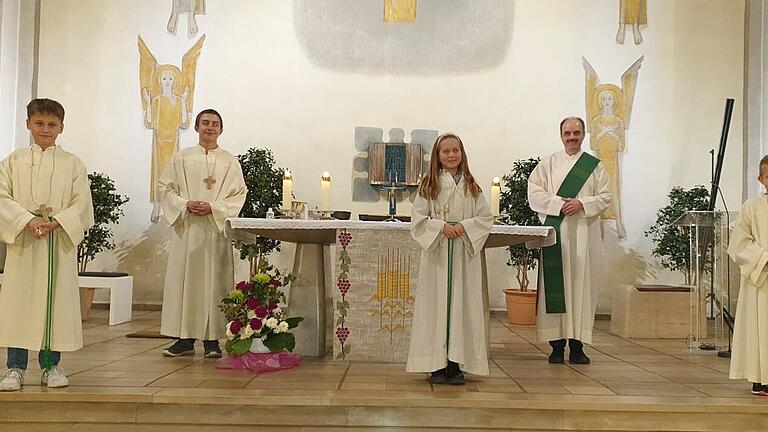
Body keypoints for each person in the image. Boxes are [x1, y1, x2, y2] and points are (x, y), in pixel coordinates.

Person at [0, 98, 94, 391]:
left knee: (55, 303)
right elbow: (2, 197)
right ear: (28, 123)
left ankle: (51, 365)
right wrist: (26, 221)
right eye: (39, 123)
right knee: (20, 303)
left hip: (57, 241)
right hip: (24, 241)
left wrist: (59, 221)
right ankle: (14, 368)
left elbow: (82, 202)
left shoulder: (72, 163)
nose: (45, 129)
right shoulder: (13, 161)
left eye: (52, 124)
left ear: (61, 127)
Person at [159, 109, 247, 358]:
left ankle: (212, 342)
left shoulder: (230, 162)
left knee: (214, 284)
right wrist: (184, 204)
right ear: (196, 128)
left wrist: (214, 207)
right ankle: (184, 339)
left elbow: (239, 194)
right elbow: (165, 188)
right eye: (205, 123)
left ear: (221, 129)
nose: (210, 127)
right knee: (185, 282)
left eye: (215, 124)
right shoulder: (182, 158)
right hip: (187, 230)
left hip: (214, 232)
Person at [408, 133, 493, 385]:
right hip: (437, 255)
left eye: (455, 150)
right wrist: (440, 227)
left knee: (461, 306)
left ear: (462, 153)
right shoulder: (428, 185)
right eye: (445, 151)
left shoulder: (471, 185)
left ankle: (456, 364)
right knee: (435, 307)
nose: (451, 155)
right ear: (437, 156)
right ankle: (435, 364)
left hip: (463, 257)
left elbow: (485, 217)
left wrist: (464, 226)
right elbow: (418, 219)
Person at [528, 117, 612, 364]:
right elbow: (533, 191)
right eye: (567, 133)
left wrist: (582, 203)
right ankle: (556, 346)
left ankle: (577, 347)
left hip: (585, 236)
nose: (572, 137)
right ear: (561, 135)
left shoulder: (595, 166)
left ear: (584, 134)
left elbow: (607, 196)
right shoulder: (549, 163)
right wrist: (559, 204)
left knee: (582, 287)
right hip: (557, 235)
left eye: (576, 132)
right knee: (557, 288)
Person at [727, 155, 768, 396]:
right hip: (761, 277)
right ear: (761, 179)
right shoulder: (751, 207)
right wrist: (764, 259)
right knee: (759, 327)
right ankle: (759, 377)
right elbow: (739, 243)